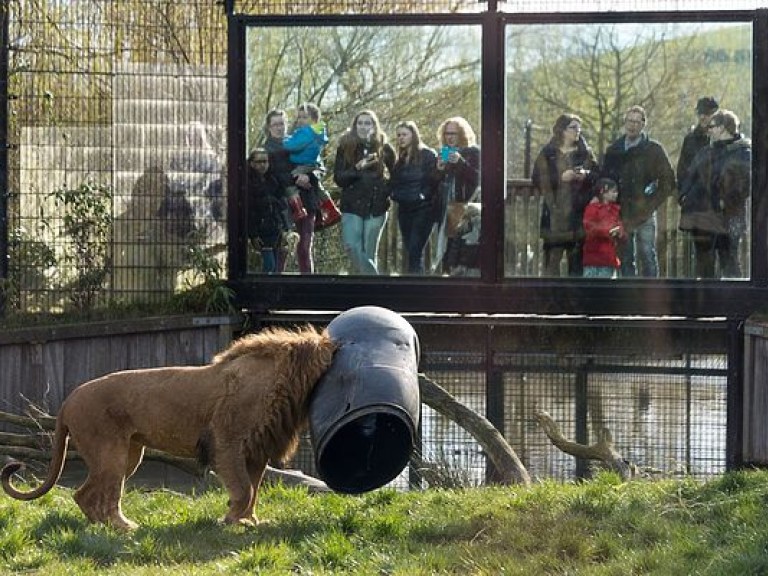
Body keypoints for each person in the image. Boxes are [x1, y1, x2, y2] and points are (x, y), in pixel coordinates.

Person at [601, 105, 676, 278]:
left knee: (647, 255)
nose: (632, 125)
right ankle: (629, 296)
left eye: (637, 121)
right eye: (629, 121)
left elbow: (668, 181)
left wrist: (652, 202)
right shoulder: (614, 150)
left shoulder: (654, 150)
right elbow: (604, 178)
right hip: (621, 211)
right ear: (624, 123)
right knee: (625, 257)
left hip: (645, 211)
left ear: (643, 124)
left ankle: (650, 294)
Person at [678, 109, 751, 278]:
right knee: (704, 264)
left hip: (728, 216)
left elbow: (744, 186)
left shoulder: (743, 153)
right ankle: (706, 302)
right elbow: (689, 176)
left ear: (723, 128)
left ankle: (734, 302)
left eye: (712, 126)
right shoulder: (706, 152)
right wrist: (684, 197)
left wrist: (725, 202)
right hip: (702, 216)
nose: (708, 130)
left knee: (729, 260)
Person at [532, 114, 598, 277]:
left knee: (576, 266)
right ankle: (549, 299)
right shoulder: (548, 152)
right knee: (551, 264)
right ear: (562, 130)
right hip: (554, 213)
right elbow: (537, 177)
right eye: (573, 127)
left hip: (577, 214)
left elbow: (598, 176)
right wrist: (560, 178)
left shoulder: (585, 153)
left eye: (579, 128)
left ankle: (574, 301)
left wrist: (585, 174)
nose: (578, 131)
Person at [333, 110, 396, 275]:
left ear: (374, 126)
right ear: (354, 126)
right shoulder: (345, 146)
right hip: (352, 204)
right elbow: (339, 178)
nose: (363, 127)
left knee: (369, 253)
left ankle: (370, 292)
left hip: (377, 205)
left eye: (367, 123)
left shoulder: (385, 147)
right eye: (360, 123)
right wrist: (357, 168)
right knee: (352, 246)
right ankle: (378, 283)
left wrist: (384, 191)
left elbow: (396, 175)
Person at [263, 108, 319, 274]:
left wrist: (309, 176)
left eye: (282, 123)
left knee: (305, 247)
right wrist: (295, 177)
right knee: (283, 248)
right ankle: (277, 287)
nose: (279, 128)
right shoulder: (265, 151)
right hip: (282, 206)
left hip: (306, 201)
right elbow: (270, 178)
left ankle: (308, 287)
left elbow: (317, 166)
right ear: (269, 127)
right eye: (275, 125)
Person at [389, 121, 439, 275]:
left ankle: (417, 287)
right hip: (404, 208)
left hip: (423, 209)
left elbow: (434, 179)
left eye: (404, 134)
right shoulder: (400, 159)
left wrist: (423, 195)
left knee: (415, 249)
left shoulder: (427, 154)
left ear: (413, 135)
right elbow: (394, 181)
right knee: (411, 250)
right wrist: (394, 194)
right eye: (398, 135)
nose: (401, 138)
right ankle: (418, 283)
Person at [433, 116, 481, 275]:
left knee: (459, 249)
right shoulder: (444, 152)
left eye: (453, 133)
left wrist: (460, 162)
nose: (450, 137)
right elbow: (435, 183)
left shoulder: (474, 152)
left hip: (464, 207)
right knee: (446, 248)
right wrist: (439, 169)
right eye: (447, 133)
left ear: (462, 134)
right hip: (445, 208)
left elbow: (478, 178)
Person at [282, 102, 340, 230]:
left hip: (302, 163)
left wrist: (283, 141)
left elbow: (293, 145)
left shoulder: (307, 132)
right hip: (311, 164)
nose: (300, 120)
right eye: (299, 117)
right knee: (318, 187)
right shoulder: (317, 132)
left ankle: (298, 209)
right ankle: (331, 209)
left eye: (304, 117)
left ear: (314, 120)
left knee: (289, 181)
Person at [246, 148, 293, 274]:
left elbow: (282, 207)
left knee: (276, 267)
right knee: (269, 266)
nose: (262, 165)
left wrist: (285, 228)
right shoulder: (248, 183)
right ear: (251, 163)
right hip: (261, 230)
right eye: (259, 162)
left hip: (275, 228)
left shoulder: (274, 181)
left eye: (265, 162)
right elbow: (249, 211)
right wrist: (253, 235)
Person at [582, 178, 626, 278]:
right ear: (603, 192)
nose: (616, 194)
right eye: (613, 191)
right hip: (593, 257)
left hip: (609, 258)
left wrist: (620, 233)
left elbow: (619, 226)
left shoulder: (615, 210)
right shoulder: (592, 209)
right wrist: (607, 231)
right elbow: (589, 227)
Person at [677, 97, 719, 188]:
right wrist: (684, 194)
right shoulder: (690, 139)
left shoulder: (723, 138)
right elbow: (681, 171)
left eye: (707, 113)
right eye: (700, 113)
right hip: (694, 196)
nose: (702, 117)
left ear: (716, 114)